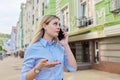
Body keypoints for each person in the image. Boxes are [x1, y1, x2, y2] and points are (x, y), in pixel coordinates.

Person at [20, 15, 77, 80]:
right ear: (44, 26)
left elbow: (73, 69)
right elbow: (24, 78)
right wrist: (39, 67)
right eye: (55, 24)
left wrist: (66, 45)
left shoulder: (60, 48)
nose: (58, 27)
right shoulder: (32, 49)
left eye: (59, 25)